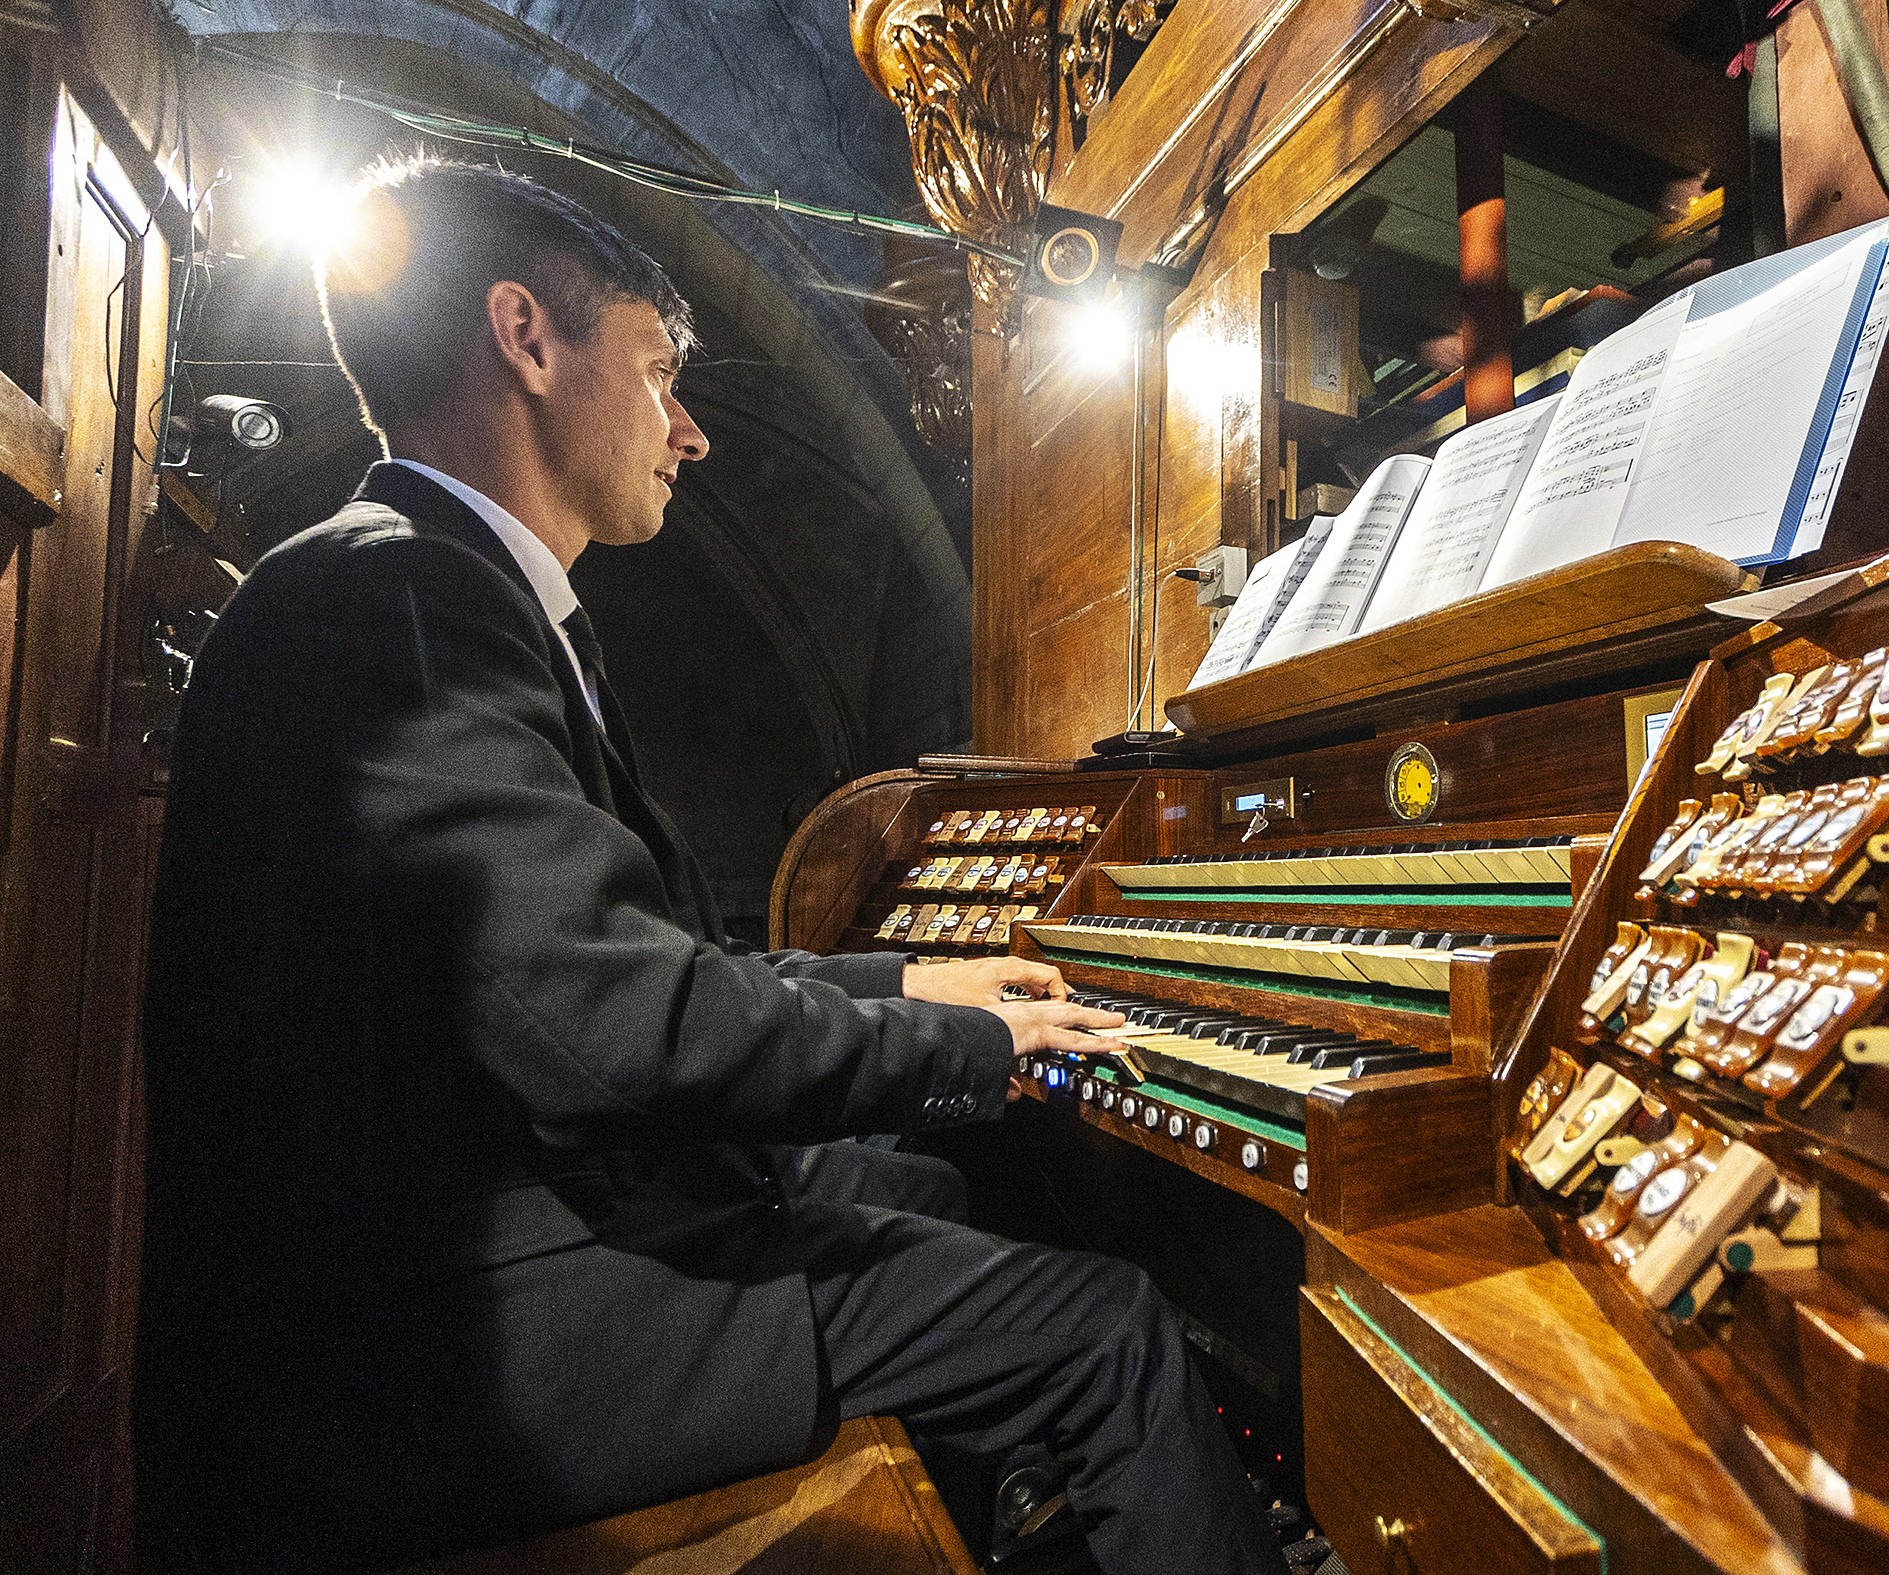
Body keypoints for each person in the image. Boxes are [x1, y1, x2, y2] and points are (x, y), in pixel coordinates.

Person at [136, 155, 1287, 1575]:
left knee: (923, 1191)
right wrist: (968, 1046)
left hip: (445, 1258)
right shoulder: (396, 599)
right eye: (663, 371)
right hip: (428, 1348)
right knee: (1104, 1332)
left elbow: (617, 969)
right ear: (527, 337)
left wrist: (911, 970)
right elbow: (615, 1030)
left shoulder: (429, 585)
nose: (692, 433)